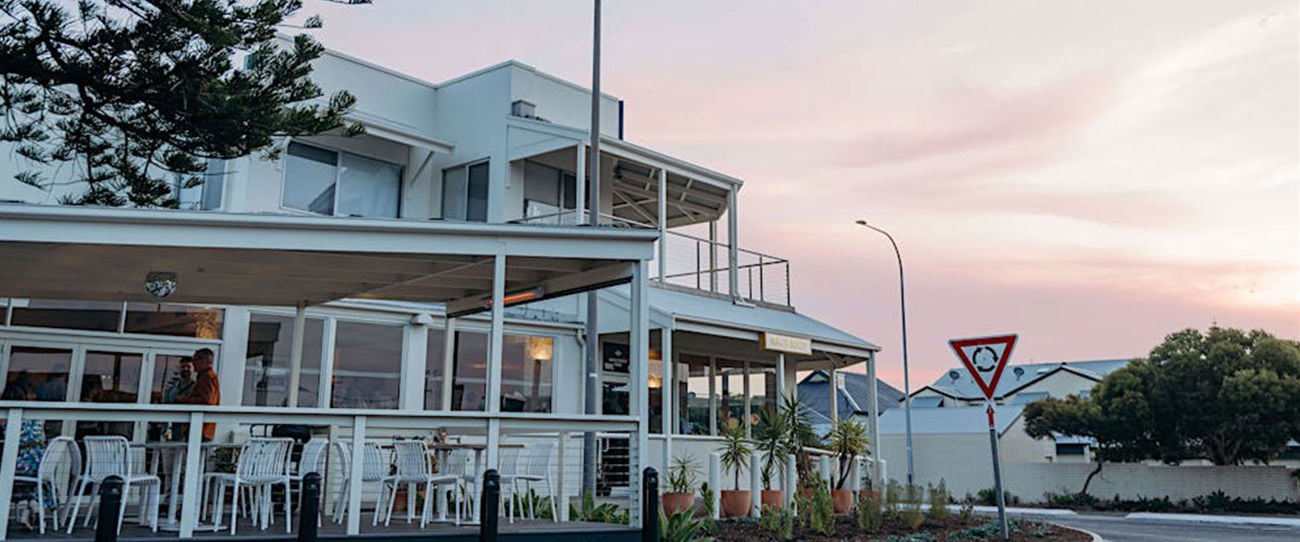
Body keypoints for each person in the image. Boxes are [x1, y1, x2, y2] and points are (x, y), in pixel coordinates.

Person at [2, 379, 47, 530]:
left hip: (16, 465)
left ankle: (31, 505)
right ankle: (32, 506)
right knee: (36, 484)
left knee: (5, 474)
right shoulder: (37, 420)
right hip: (38, 466)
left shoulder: (9, 420)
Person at [177, 348, 220, 441]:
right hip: (202, 427)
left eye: (195, 360)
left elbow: (207, 401)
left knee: (193, 453)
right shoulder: (206, 376)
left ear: (203, 360)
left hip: (201, 427)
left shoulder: (207, 377)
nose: (194, 364)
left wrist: (184, 400)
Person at [162, 357, 195, 441]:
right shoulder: (172, 388)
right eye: (183, 367)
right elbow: (164, 404)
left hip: (185, 433)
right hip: (168, 430)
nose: (185, 369)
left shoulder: (195, 388)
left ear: (193, 369)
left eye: (188, 366)